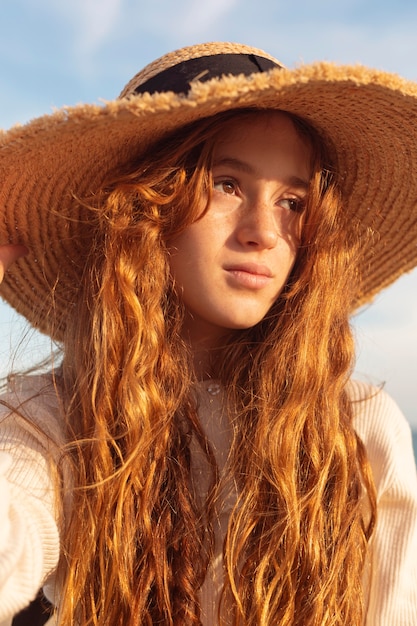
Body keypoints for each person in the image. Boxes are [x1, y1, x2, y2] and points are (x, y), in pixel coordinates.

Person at [0, 41, 416, 626]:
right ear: (146, 206)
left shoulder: (358, 426)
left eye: (293, 201)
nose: (265, 233)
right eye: (227, 184)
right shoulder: (55, 418)